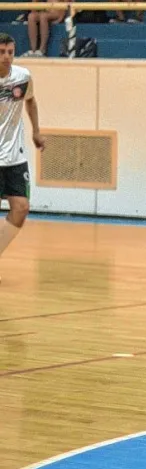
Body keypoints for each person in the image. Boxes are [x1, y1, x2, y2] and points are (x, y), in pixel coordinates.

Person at [0, 33, 46, 284]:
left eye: (10, 51)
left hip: (14, 155)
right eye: (1, 52)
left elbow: (31, 102)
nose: (7, 57)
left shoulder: (22, 77)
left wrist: (36, 132)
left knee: (21, 208)